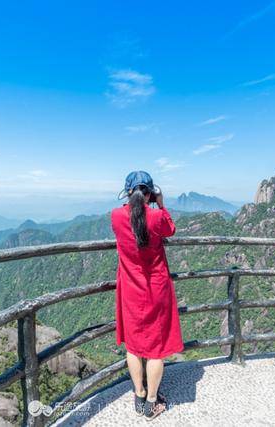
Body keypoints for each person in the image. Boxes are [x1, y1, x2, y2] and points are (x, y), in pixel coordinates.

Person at [111, 170, 184, 420]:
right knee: (155, 350)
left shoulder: (116, 216)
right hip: (156, 290)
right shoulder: (156, 217)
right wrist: (161, 204)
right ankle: (152, 403)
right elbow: (170, 229)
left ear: (129, 192)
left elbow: (129, 217)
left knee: (133, 346)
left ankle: (139, 394)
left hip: (131, 291)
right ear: (150, 193)